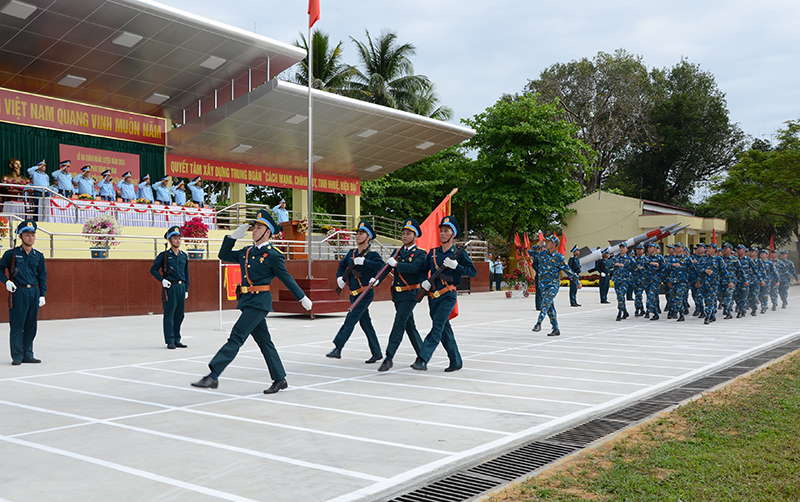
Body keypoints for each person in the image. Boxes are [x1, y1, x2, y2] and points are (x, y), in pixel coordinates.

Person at [192, 210, 312, 393]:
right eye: (254, 227)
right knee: (265, 342)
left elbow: (287, 278)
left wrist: (302, 298)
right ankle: (280, 379)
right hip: (248, 301)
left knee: (236, 336)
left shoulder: (273, 255)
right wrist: (232, 237)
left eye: (258, 227)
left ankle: (213, 376)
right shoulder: (247, 251)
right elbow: (223, 255)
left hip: (259, 303)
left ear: (268, 232)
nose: (254, 230)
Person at [412, 215, 476, 370]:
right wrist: (423, 282)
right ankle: (456, 361)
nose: (442, 233)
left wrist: (457, 266)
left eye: (446, 231)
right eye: (441, 230)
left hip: (448, 295)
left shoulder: (459, 254)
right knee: (444, 329)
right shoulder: (433, 253)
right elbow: (422, 271)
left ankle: (422, 358)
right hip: (433, 297)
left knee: (437, 326)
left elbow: (472, 272)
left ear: (453, 234)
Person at [327, 221, 385, 362]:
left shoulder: (372, 254)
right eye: (357, 233)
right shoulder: (351, 253)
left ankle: (338, 347)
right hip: (353, 294)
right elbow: (341, 266)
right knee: (366, 324)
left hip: (364, 294)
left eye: (361, 233)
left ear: (368, 237)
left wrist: (365, 262)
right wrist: (340, 277)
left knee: (351, 319)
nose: (358, 236)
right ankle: (377, 352)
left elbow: (382, 267)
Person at [377, 218, 425, 372]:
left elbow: (414, 268)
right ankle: (423, 355)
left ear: (415, 236)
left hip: (411, 294)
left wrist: (397, 264)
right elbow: (386, 268)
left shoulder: (420, 254)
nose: (405, 236)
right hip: (397, 296)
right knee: (409, 325)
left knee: (399, 323)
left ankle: (389, 357)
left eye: (408, 233)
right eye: (403, 233)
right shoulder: (397, 252)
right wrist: (377, 279)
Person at [1, 220, 47, 365]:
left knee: (31, 325)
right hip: (18, 292)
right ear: (20, 236)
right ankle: (17, 356)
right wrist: (7, 282)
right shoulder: (11, 254)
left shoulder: (38, 256)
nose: (31, 238)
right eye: (27, 235)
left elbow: (42, 276)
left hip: (33, 291)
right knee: (17, 325)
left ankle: (28, 354)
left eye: (33, 235)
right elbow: (0, 269)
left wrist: (42, 294)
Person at [530, 234, 581, 336]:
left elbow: (568, 270)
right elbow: (530, 253)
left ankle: (538, 323)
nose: (546, 243)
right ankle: (556, 329)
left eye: (548, 242)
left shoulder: (559, 257)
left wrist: (577, 281)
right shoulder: (542, 254)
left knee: (545, 302)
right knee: (550, 307)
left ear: (554, 244)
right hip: (543, 285)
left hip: (553, 285)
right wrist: (537, 245)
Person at [150, 226, 189, 349]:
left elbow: (186, 274)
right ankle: (170, 340)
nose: (178, 240)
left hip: (181, 287)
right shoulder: (165, 255)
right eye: (175, 238)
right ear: (169, 240)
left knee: (180, 315)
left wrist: (186, 288)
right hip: (170, 287)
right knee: (170, 314)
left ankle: (177, 338)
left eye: (179, 238)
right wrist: (162, 280)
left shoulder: (183, 256)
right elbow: (153, 269)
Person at [610, 242, 635, 321]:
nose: (621, 249)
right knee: (619, 297)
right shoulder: (615, 258)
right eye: (620, 247)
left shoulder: (630, 259)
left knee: (621, 295)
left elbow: (635, 269)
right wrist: (615, 264)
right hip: (617, 280)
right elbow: (608, 264)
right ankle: (625, 311)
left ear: (627, 250)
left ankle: (619, 313)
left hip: (625, 281)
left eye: (623, 247)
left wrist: (630, 278)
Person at [644, 242, 664, 320]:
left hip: (655, 281)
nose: (649, 249)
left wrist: (662, 279)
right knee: (653, 297)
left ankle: (650, 310)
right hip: (647, 280)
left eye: (651, 247)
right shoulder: (646, 258)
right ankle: (655, 313)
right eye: (648, 247)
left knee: (651, 297)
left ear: (655, 249)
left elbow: (664, 269)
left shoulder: (660, 258)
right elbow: (644, 267)